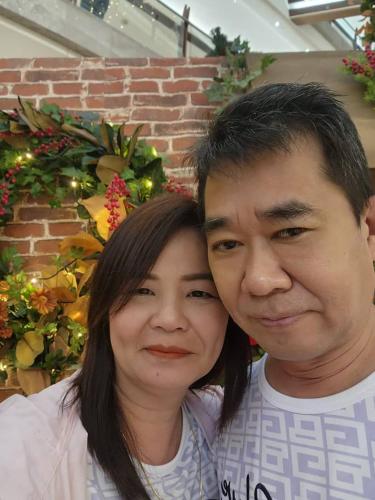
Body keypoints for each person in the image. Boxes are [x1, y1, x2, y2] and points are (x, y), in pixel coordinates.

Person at [0, 193, 250, 499]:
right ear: (105, 308)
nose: (170, 320)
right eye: (142, 290)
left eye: (199, 293)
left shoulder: (231, 423)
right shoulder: (24, 445)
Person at [192, 82, 375, 499]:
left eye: (291, 231)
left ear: (368, 229)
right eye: (228, 245)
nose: (258, 280)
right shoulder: (210, 415)